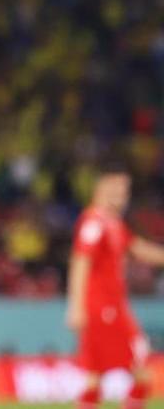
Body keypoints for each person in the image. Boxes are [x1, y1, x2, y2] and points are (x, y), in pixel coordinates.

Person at [67, 168, 164, 409]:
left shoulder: (113, 223)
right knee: (140, 372)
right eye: (118, 189)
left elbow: (138, 248)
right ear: (102, 189)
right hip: (103, 309)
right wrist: (76, 307)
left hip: (114, 307)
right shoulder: (93, 222)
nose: (123, 195)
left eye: (126, 191)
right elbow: (80, 262)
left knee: (96, 376)